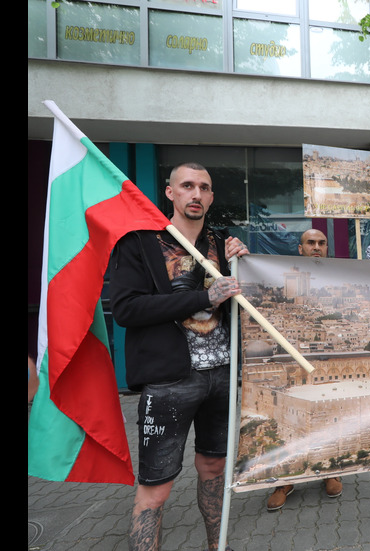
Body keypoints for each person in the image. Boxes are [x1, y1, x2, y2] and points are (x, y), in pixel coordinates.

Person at [110, 162, 248, 551]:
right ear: (170, 192)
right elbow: (126, 310)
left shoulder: (222, 244)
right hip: (170, 382)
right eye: (187, 186)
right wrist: (205, 297)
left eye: (204, 188)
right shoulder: (139, 243)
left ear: (211, 197)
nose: (196, 194)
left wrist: (245, 265)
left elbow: (244, 305)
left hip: (221, 376)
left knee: (214, 469)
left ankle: (215, 546)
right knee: (155, 488)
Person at [266, 228, 343, 512]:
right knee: (289, 417)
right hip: (293, 355)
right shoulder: (284, 280)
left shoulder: (336, 278)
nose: (316, 247)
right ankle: (284, 480)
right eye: (310, 242)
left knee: (326, 413)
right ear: (300, 249)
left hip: (326, 356)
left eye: (322, 243)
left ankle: (329, 470)